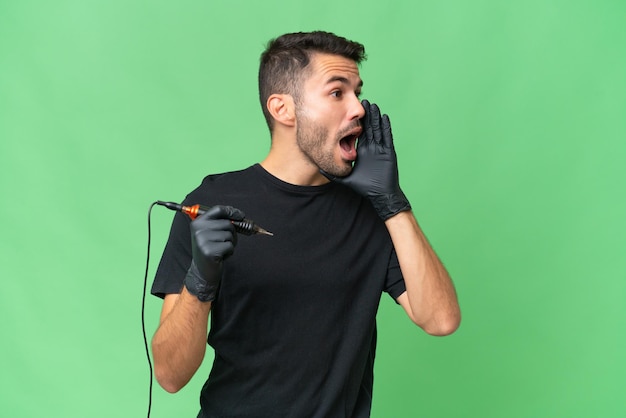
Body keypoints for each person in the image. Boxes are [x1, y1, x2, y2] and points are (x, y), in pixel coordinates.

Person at [151, 31, 461, 418]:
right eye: (337, 93)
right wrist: (200, 278)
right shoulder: (211, 204)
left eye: (356, 91)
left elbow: (441, 319)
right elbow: (169, 375)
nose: (359, 108)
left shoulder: (370, 212)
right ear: (283, 109)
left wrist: (393, 203)